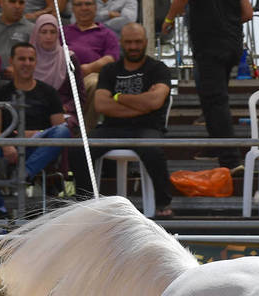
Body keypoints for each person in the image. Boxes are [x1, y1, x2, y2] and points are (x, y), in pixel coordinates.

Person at [0, 42, 71, 219]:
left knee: (65, 131)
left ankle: (25, 173)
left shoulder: (49, 92)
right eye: (22, 59)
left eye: (31, 59)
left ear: (36, 62)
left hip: (38, 147)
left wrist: (33, 134)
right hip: (6, 147)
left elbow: (59, 128)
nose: (26, 63)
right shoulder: (0, 93)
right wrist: (6, 145)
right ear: (11, 61)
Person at [93, 23, 174, 217]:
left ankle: (163, 203)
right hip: (112, 127)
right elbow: (100, 105)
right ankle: (85, 204)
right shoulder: (109, 70)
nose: (133, 46)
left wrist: (118, 97)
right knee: (80, 148)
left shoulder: (158, 69)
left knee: (152, 149)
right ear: (121, 43)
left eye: (138, 42)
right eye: (129, 42)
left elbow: (155, 101)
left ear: (146, 43)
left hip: (147, 127)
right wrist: (142, 105)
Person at [162, 0, 252, 170]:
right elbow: (248, 13)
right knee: (212, 96)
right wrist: (227, 22)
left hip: (209, 44)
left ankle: (231, 160)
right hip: (232, 44)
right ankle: (215, 145)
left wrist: (169, 19)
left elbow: (180, 2)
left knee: (216, 101)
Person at [63, 0, 120, 130]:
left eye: (88, 4)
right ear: (73, 9)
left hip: (89, 77)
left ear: (95, 7)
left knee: (95, 83)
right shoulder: (63, 32)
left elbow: (111, 59)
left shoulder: (107, 34)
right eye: (79, 4)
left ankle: (84, 132)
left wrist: (89, 68)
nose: (84, 8)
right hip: (64, 78)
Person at [30, 14, 86, 130]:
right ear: (36, 34)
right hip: (32, 109)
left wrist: (65, 108)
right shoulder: (28, 58)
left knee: (63, 128)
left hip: (62, 110)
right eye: (44, 32)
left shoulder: (69, 58)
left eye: (53, 32)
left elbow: (79, 95)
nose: (48, 37)